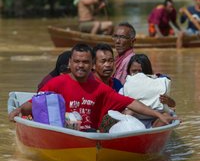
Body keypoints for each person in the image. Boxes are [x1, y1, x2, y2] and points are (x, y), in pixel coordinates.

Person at [9, 43, 176, 131]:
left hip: (90, 134)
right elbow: (36, 102)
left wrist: (155, 113)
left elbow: (130, 102)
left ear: (91, 65)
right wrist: (20, 110)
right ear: (70, 63)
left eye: (85, 62)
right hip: (65, 132)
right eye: (77, 61)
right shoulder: (56, 83)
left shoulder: (99, 88)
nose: (81, 66)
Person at [120, 54, 176, 128]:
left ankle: (155, 131)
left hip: (154, 122)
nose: (137, 75)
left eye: (140, 72)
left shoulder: (157, 85)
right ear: (129, 72)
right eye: (134, 71)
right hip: (134, 123)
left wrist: (168, 101)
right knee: (128, 112)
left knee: (166, 115)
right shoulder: (123, 89)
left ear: (147, 71)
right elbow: (120, 109)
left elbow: (172, 105)